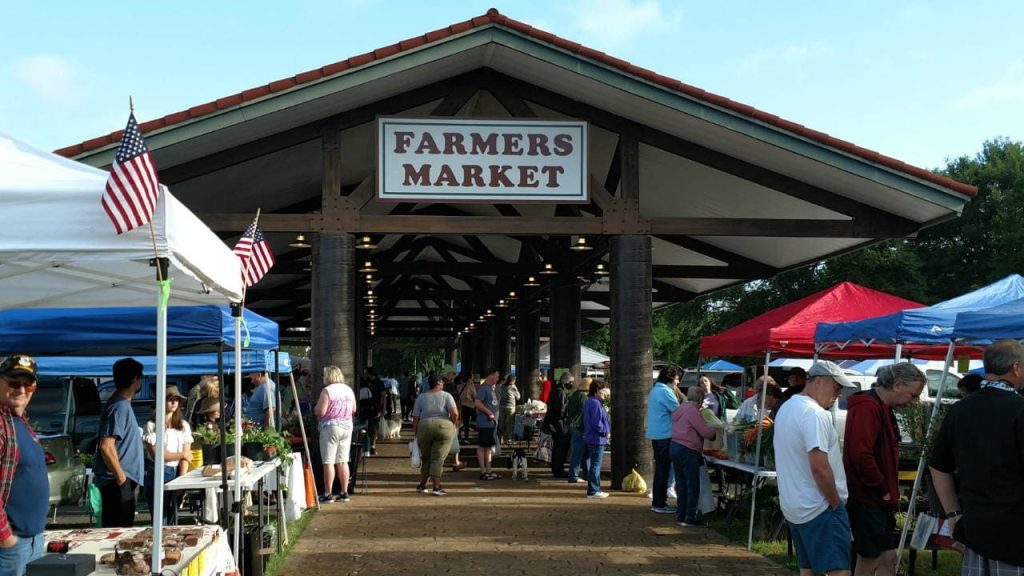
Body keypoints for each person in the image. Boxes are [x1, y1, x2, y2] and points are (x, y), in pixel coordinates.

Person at [929, 339, 1024, 574]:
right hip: (1015, 530)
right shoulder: (1020, 409)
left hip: (973, 525)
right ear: (1016, 368)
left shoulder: (960, 409)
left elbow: (938, 465)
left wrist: (952, 513)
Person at [774, 360, 857, 576]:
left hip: (795, 507)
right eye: (836, 387)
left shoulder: (787, 407)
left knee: (808, 570)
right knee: (839, 571)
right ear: (818, 381)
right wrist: (836, 503)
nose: (838, 393)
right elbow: (819, 467)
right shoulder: (815, 414)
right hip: (819, 507)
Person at [843, 363, 925, 576]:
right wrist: (881, 487)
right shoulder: (867, 407)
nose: (913, 402)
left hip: (878, 499)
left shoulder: (881, 407)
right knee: (869, 559)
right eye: (912, 395)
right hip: (869, 499)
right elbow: (860, 454)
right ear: (897, 385)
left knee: (888, 557)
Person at [0, 354, 48, 576]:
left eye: (27, 384)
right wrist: (5, 537)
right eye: (13, 382)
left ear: (34, 388)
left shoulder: (19, 421)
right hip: (10, 547)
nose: (21, 389)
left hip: (30, 541)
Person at [94, 357, 146, 528]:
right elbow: (106, 446)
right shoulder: (119, 407)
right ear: (135, 379)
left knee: (122, 530)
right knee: (118, 533)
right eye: (141, 377)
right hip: (117, 482)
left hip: (120, 480)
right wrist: (122, 479)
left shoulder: (120, 405)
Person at [143, 385, 193, 526]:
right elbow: (157, 456)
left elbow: (186, 457)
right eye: (169, 399)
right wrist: (182, 454)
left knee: (173, 515)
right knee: (160, 518)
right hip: (157, 472)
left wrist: (181, 481)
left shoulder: (183, 425)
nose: (173, 402)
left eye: (176, 399)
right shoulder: (151, 425)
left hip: (176, 471)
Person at [671, 386, 717, 527]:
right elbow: (705, 432)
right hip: (688, 449)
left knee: (681, 483)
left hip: (674, 446)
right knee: (692, 484)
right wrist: (713, 433)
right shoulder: (693, 412)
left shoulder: (679, 409)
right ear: (700, 400)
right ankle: (691, 516)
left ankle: (681, 514)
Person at [314, 365, 356, 503]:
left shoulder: (327, 391)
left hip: (330, 427)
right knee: (343, 461)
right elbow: (354, 409)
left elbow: (321, 411)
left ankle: (328, 493)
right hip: (347, 426)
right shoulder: (348, 390)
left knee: (328, 461)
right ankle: (344, 492)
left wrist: (315, 409)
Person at [412, 372, 459, 495]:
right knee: (437, 458)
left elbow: (416, 418)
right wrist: (454, 424)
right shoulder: (447, 396)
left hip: (424, 426)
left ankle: (422, 485)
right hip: (444, 426)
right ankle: (436, 487)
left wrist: (416, 433)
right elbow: (454, 413)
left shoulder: (421, 397)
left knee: (426, 458)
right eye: (442, 381)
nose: (443, 383)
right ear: (438, 383)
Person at [646, 367, 681, 514]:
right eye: (677, 378)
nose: (678, 381)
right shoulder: (665, 391)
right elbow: (678, 411)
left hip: (656, 434)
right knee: (663, 470)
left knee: (661, 469)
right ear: (671, 378)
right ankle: (659, 503)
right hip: (665, 435)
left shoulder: (655, 390)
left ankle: (658, 502)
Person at [583, 379, 611, 499]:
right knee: (596, 464)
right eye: (603, 390)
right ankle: (594, 490)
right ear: (597, 391)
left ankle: (593, 489)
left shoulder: (590, 402)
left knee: (593, 464)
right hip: (597, 438)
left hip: (592, 437)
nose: (604, 393)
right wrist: (606, 431)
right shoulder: (595, 403)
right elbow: (597, 422)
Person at [542, 372, 574, 478]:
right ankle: (558, 469)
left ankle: (557, 468)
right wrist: (569, 408)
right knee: (560, 448)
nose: (572, 384)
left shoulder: (557, 390)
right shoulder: (560, 392)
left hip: (555, 424)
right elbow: (560, 410)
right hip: (559, 425)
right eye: (571, 382)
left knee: (558, 448)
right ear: (565, 381)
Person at [474, 369, 501, 480]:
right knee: (482, 446)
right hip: (484, 422)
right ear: (491, 376)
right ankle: (483, 470)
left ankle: (489, 470)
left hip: (491, 423)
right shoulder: (483, 388)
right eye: (497, 376)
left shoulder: (490, 389)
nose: (498, 378)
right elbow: (477, 402)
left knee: (488, 447)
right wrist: (489, 412)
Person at [566, 377, 592, 484]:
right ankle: (574, 475)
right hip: (579, 426)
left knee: (581, 451)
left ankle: (586, 474)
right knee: (580, 452)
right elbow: (584, 413)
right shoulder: (583, 397)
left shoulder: (575, 394)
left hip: (573, 425)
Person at [358, 372, 385, 455]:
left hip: (368, 411)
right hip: (372, 411)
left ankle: (368, 448)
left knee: (370, 429)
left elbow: (383, 396)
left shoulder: (378, 383)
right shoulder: (368, 389)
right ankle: (369, 448)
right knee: (371, 429)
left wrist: (382, 408)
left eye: (367, 374)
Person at [498, 374, 520, 444]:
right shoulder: (513, 387)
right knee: (509, 424)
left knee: (502, 422)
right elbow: (518, 397)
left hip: (502, 406)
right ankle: (508, 439)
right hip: (510, 407)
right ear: (513, 380)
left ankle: (500, 437)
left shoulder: (502, 386)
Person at [456, 373, 476, 443]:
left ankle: (458, 435)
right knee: (467, 422)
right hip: (469, 406)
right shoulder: (471, 386)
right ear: (469, 379)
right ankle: (466, 438)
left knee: (463, 422)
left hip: (461, 406)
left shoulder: (458, 386)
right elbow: (474, 396)